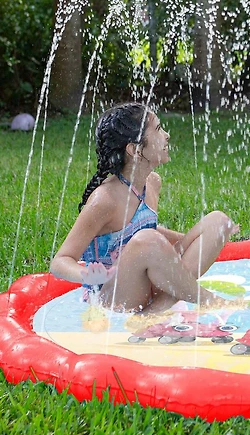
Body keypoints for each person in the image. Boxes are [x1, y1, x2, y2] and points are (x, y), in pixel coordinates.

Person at [50, 102, 239, 314]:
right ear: (135, 150)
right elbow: (59, 261)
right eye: (158, 129)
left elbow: (146, 231)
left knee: (218, 222)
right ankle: (208, 300)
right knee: (147, 240)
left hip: (147, 282)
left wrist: (194, 238)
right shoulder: (105, 199)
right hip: (113, 296)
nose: (166, 135)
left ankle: (156, 310)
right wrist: (87, 274)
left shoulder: (152, 183)